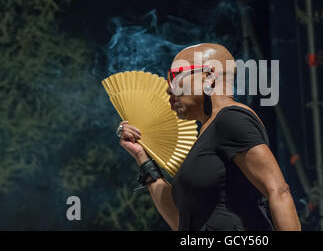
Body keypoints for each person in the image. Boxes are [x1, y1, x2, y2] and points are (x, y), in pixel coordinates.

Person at [118, 43, 301, 231]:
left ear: (209, 77)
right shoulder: (208, 135)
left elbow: (278, 191)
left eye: (175, 77)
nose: (168, 90)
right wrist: (141, 156)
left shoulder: (232, 119)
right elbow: (180, 222)